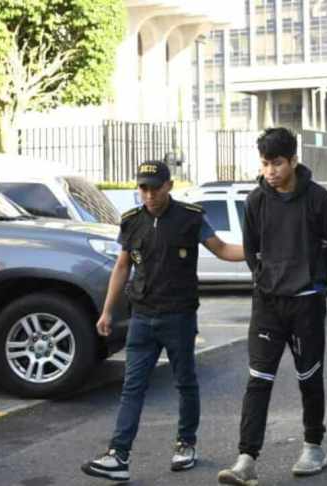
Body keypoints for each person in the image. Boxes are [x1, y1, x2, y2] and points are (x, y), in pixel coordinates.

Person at [81, 160, 245, 482]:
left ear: (169, 185)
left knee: (185, 382)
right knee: (132, 387)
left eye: (156, 187)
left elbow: (223, 250)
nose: (150, 194)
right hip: (142, 316)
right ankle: (118, 455)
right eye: (144, 188)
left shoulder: (190, 217)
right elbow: (122, 267)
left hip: (179, 316)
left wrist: (259, 249)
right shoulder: (131, 221)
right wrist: (107, 311)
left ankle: (186, 443)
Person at [218, 127, 327, 486]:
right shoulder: (256, 200)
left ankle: (313, 446)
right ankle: (246, 459)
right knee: (258, 379)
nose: (270, 171)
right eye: (264, 164)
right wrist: (264, 279)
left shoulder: (318, 198)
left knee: (309, 377)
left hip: (306, 304)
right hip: (268, 305)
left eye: (276, 163)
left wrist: (316, 281)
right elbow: (250, 248)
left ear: (293, 160)